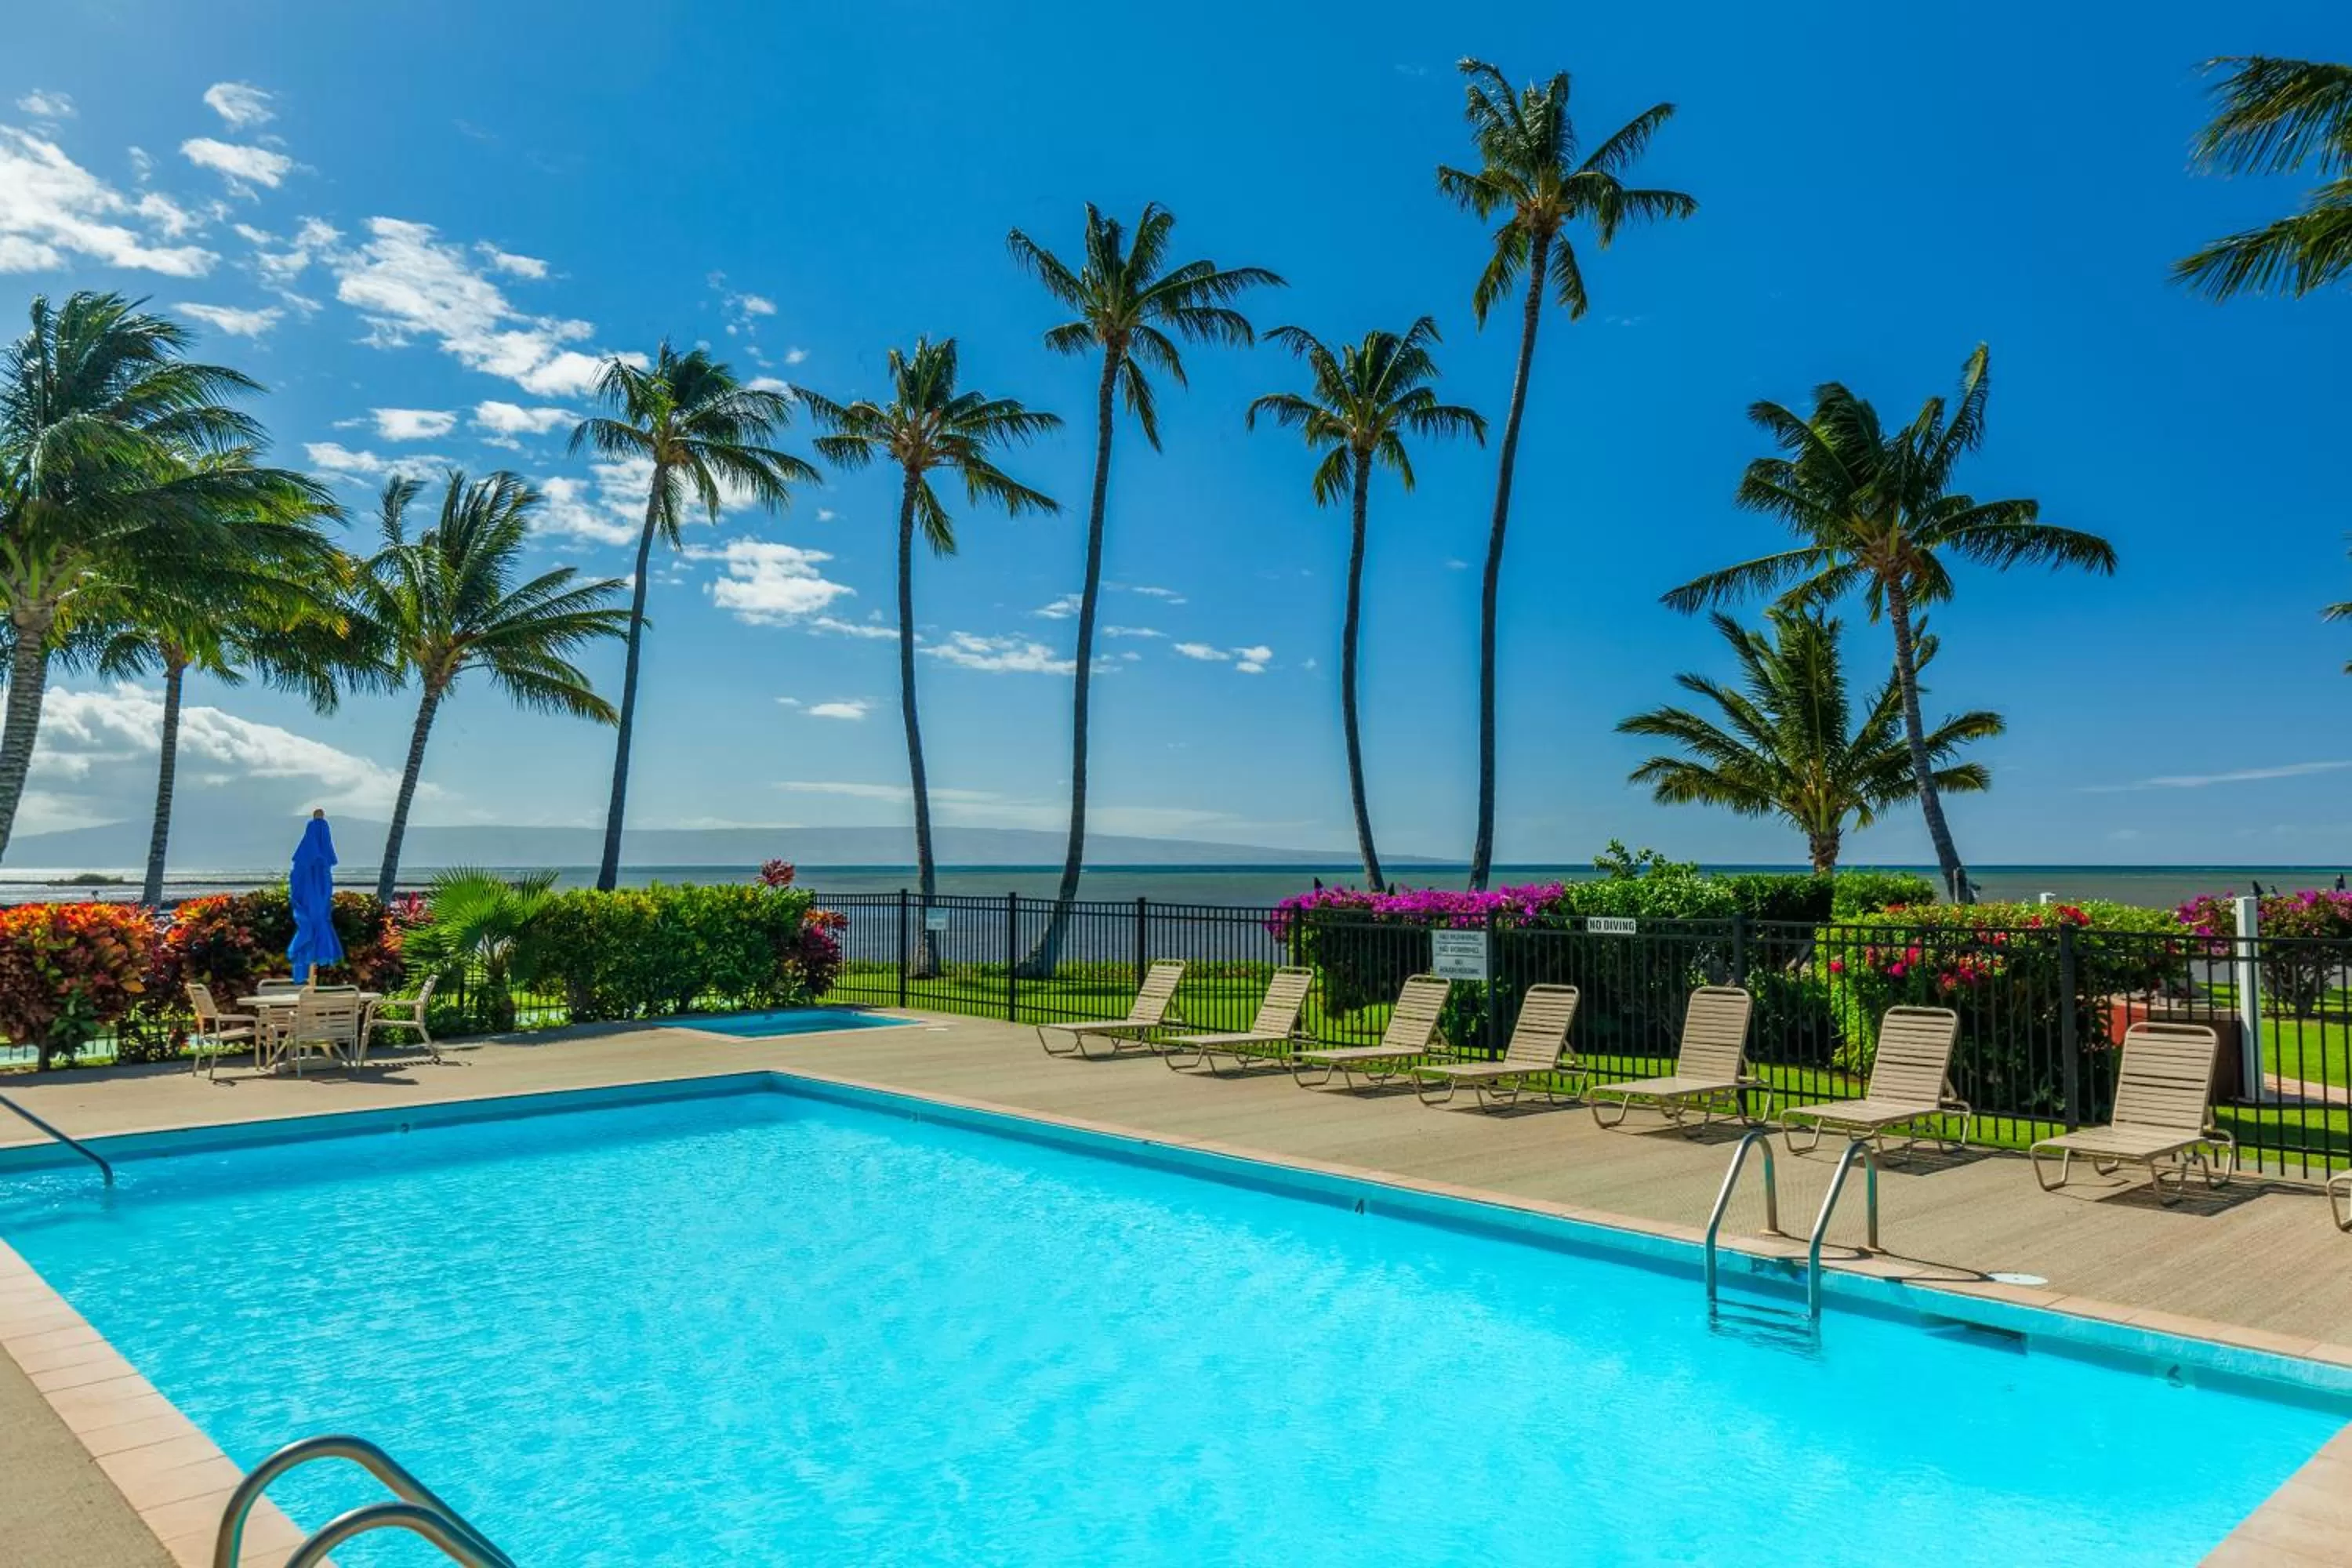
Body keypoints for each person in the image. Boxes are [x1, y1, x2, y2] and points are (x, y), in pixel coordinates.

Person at [287, 809, 344, 982]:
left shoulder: (303, 868)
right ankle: (305, 984)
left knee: (312, 925)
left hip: (309, 904)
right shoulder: (321, 872)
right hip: (317, 905)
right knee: (317, 921)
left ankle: (303, 980)